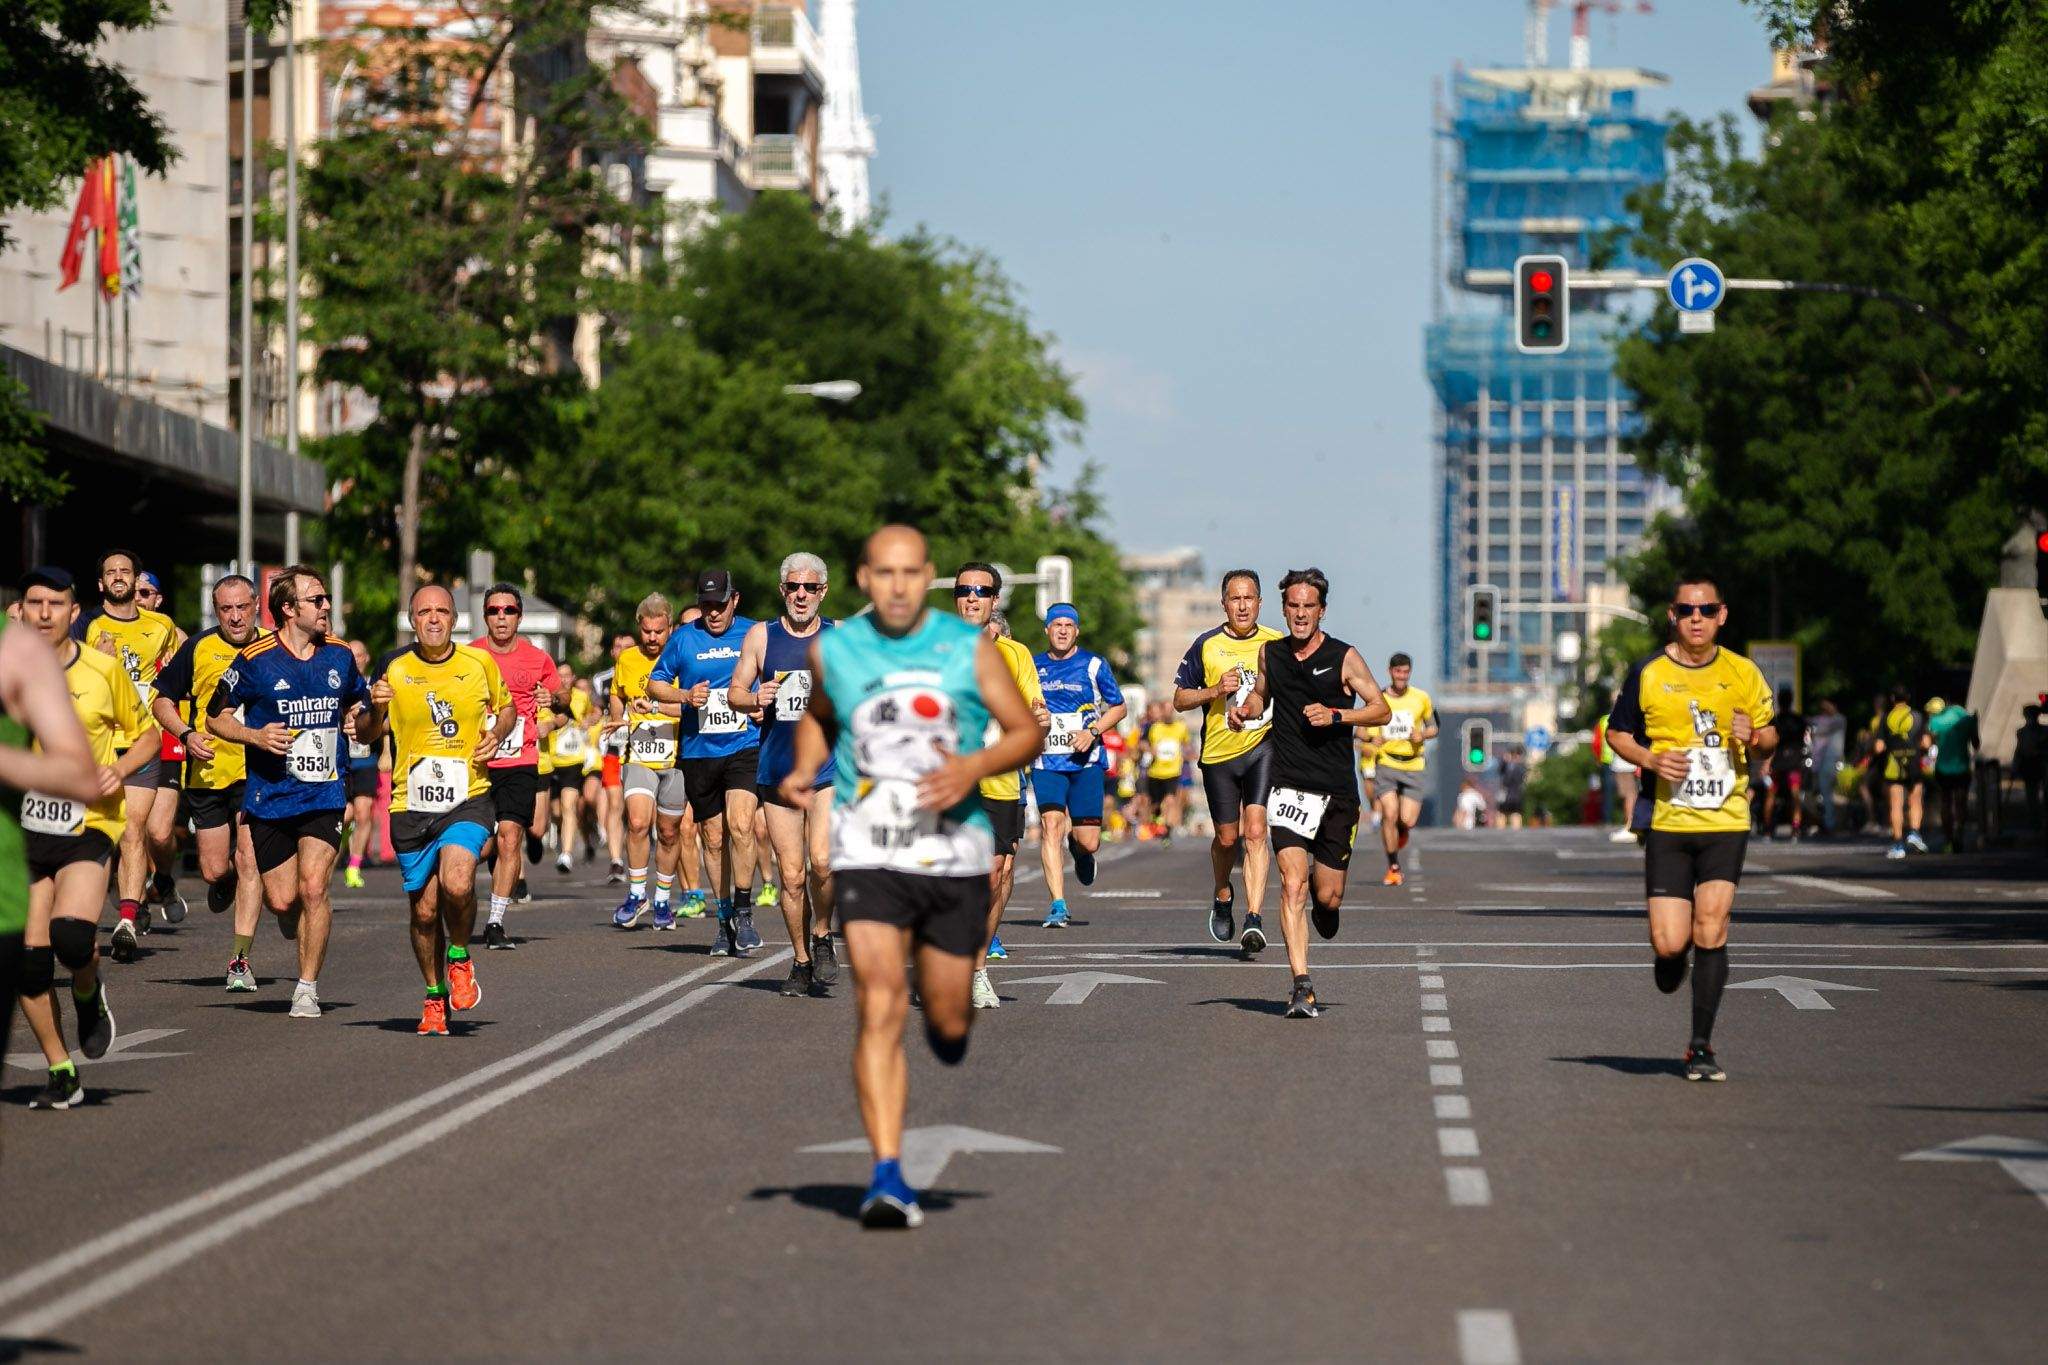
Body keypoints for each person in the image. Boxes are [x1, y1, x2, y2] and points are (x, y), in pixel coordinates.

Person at [778, 525, 1044, 1228]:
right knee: (880, 1001)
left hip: (952, 845)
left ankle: (951, 1011)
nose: (897, 584)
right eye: (883, 572)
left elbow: (1025, 731)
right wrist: (806, 766)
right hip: (872, 845)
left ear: (925, 575)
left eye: (910, 572)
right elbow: (818, 715)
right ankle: (888, 1174)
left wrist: (972, 767)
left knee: (947, 1018)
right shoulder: (836, 648)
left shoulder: (968, 648)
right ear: (864, 579)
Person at [1605, 575, 1777, 1083]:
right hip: (1669, 823)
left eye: (1706, 610)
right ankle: (1668, 960)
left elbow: (1770, 735)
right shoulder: (1649, 673)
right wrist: (1651, 758)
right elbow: (1617, 733)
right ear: (1672, 616)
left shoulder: (1743, 673)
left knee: (1712, 928)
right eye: (1686, 610)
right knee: (1668, 943)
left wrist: (1758, 736)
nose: (1696, 618)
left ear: (1722, 615)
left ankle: (1700, 1047)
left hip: (1726, 820)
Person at [205, 566, 371, 1020]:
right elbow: (213, 717)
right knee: (283, 900)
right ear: (287, 609)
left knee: (314, 887)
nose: (326, 607)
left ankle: (306, 987)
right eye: (316, 600)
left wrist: (368, 719)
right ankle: (294, 922)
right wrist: (255, 737)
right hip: (271, 798)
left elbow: (363, 709)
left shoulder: (338, 655)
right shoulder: (255, 660)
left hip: (324, 794)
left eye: (325, 599)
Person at [1227, 568, 1389, 1018]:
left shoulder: (1344, 657)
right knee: (1292, 885)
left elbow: (1380, 709)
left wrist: (1338, 716)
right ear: (1285, 609)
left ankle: (1328, 907)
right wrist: (1246, 710)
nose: (1300, 615)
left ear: (1322, 610)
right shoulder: (1270, 654)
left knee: (1327, 895)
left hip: (1336, 791)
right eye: (1293, 607)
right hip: (1289, 787)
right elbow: (1261, 696)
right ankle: (1301, 984)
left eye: (1308, 607)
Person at [359, 585, 512, 1036]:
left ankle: (460, 955)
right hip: (411, 803)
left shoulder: (478, 663)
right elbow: (368, 733)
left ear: (454, 619)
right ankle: (433, 995)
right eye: (424, 612)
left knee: (458, 879)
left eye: (441, 611)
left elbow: (505, 710)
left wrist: (497, 734)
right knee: (424, 912)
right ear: (412, 620)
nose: (433, 619)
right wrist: (374, 706)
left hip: (468, 795)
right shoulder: (394, 666)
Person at [5, 569, 116, 1115]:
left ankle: (88, 991)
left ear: (76, 612)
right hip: (20, 832)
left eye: (56, 603)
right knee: (27, 964)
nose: (44, 612)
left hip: (84, 823)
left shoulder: (102, 670)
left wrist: (121, 769)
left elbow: (142, 733)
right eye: (33, 603)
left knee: (71, 941)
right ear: (19, 610)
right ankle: (61, 1070)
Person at [728, 552, 838, 998]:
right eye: (793, 587)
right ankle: (801, 959)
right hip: (776, 770)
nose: (801, 595)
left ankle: (824, 932)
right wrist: (757, 696)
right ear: (782, 590)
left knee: (823, 862)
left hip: (827, 770)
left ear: (822, 592)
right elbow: (734, 691)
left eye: (809, 588)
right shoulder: (761, 636)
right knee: (791, 876)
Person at [151, 575, 268, 992]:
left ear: (257, 604)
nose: (235, 617)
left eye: (242, 607)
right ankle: (230, 880)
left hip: (259, 773)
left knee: (251, 858)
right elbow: (160, 697)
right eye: (226, 609)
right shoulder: (198, 647)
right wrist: (185, 733)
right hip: (208, 773)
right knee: (215, 868)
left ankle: (240, 959)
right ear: (216, 610)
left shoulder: (275, 646)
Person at [648, 570, 764, 955]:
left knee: (742, 824)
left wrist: (762, 703)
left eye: (719, 604)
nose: (712, 613)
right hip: (699, 751)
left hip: (744, 745)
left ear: (735, 600)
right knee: (713, 839)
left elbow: (772, 677)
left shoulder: (753, 633)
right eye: (706, 605)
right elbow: (655, 683)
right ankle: (724, 917)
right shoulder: (684, 638)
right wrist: (684, 695)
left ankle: (745, 913)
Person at [950, 567, 1050, 1010]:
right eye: (964, 591)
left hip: (1002, 780)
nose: (972, 598)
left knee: (999, 874)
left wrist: (1039, 716)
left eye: (982, 592)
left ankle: (973, 968)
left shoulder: (1016, 654)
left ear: (995, 600)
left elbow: (1035, 705)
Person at [74, 549, 181, 961]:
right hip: (97, 745)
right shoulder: (87, 625)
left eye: (125, 571)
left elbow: (174, 672)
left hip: (143, 742)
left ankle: (127, 919)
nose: (118, 577)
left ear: (136, 581)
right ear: (101, 583)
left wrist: (172, 668)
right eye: (110, 572)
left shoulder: (162, 626)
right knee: (98, 835)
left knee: (136, 829)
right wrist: (102, 663)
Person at [1174, 570, 1282, 947]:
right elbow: (1179, 699)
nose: (1242, 606)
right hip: (1219, 753)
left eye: (1249, 598)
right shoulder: (1206, 644)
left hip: (1263, 747)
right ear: (1224, 603)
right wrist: (1216, 690)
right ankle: (1222, 893)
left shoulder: (1275, 642)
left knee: (1256, 831)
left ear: (1259, 603)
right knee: (1227, 837)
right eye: (1234, 599)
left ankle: (1254, 917)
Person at [470, 585, 562, 950]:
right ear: (486, 616)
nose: (501, 616)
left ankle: (494, 922)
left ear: (519, 616)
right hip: (476, 760)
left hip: (520, 760)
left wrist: (551, 700)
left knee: (511, 835)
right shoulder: (470, 655)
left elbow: (565, 703)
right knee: (482, 847)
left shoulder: (537, 658)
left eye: (508, 610)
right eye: (494, 610)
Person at [1031, 603, 1127, 928]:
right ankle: (1058, 903)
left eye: (1067, 625)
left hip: (1085, 761)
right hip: (1046, 760)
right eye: (1055, 624)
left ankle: (1079, 849)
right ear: (1047, 630)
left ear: (1076, 631)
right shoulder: (1033, 666)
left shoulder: (1093, 664)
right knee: (1050, 826)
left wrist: (1093, 731)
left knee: (1090, 840)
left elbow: (1118, 707)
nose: (1061, 630)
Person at [607, 597, 690, 931]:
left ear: (669, 628)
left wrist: (655, 705)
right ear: (639, 627)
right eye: (647, 631)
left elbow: (691, 707)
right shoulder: (627, 659)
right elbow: (617, 693)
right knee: (639, 823)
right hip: (639, 755)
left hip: (678, 756)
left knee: (669, 832)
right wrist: (618, 718)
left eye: (659, 631)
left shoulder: (683, 657)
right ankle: (637, 893)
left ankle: (662, 901)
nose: (653, 638)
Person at [1372, 652, 1436, 887]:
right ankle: (1393, 866)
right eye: (1398, 672)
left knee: (1406, 820)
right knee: (1389, 813)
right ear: (1390, 672)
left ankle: (1401, 830)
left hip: (1413, 763)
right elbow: (1362, 728)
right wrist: (1372, 741)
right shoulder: (1378, 697)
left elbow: (1434, 727)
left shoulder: (1421, 698)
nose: (1402, 676)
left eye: (1406, 672)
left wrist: (1423, 734)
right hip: (1387, 762)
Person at [341, 639, 383, 888]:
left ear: (366, 658)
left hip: (366, 758)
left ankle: (354, 867)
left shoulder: (374, 687)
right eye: (351, 655)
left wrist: (385, 749)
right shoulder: (337, 684)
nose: (355, 660)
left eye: (359, 655)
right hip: (342, 760)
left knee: (364, 811)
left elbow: (388, 723)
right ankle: (341, 846)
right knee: (344, 814)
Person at [545, 665, 594, 873]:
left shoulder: (581, 697)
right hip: (550, 759)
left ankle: (566, 854)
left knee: (569, 805)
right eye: (560, 676)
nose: (564, 679)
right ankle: (564, 837)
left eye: (567, 675)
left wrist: (587, 722)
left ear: (573, 677)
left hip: (574, 760)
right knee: (556, 811)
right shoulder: (547, 698)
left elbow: (594, 713)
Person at [1873, 687, 1929, 859]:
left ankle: (1898, 845)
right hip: (1913, 763)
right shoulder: (1918, 716)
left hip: (1893, 765)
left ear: (1892, 698)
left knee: (1896, 804)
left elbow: (1879, 747)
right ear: (1908, 697)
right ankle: (1914, 833)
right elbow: (1926, 743)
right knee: (1915, 799)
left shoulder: (1886, 717)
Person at [1925, 697, 1978, 853]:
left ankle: (1948, 839)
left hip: (1943, 768)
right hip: (1962, 767)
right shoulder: (1967, 718)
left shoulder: (1937, 720)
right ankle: (1959, 835)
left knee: (1946, 803)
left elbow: (1929, 743)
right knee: (1961, 803)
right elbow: (1976, 744)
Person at [1138, 701, 1190, 840]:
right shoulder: (1154, 727)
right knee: (1155, 804)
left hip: (1173, 772)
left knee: (1170, 800)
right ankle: (1156, 821)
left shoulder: (1181, 727)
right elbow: (1142, 743)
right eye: (1165, 710)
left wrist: (1187, 755)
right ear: (1161, 711)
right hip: (1155, 772)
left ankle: (1166, 829)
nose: (1168, 713)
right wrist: (1150, 750)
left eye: (1170, 710)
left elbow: (1186, 744)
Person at [1762, 686, 1808, 840]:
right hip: (1794, 761)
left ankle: (1768, 830)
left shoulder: (1776, 720)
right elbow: (1804, 742)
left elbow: (1772, 744)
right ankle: (1795, 829)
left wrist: (1766, 763)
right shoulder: (1800, 720)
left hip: (1778, 762)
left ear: (1779, 701)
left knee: (1771, 795)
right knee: (1795, 795)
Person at [1808, 698, 1847, 835]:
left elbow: (1823, 728)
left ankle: (1830, 823)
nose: (1825, 709)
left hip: (1830, 762)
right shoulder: (1823, 720)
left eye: (1827, 706)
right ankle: (1825, 821)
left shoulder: (1839, 719)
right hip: (1820, 762)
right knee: (1820, 794)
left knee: (1827, 793)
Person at [1497, 746, 1526, 829]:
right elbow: (1500, 770)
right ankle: (1502, 831)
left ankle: (1514, 831)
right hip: (1509, 795)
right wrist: (1505, 761)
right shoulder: (1508, 765)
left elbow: (1511, 779)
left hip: (1513, 795)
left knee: (1514, 814)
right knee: (1503, 814)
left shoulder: (1519, 766)